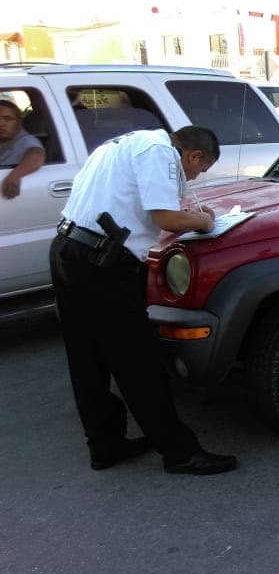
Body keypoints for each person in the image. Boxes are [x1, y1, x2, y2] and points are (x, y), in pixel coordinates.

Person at [50, 126, 237, 475]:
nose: (195, 177)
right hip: (103, 265)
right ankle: (179, 452)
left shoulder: (124, 142)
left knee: (87, 359)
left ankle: (105, 444)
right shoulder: (160, 151)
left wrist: (189, 214)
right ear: (194, 155)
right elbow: (166, 218)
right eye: (200, 169)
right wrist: (205, 221)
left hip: (68, 249)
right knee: (138, 360)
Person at [0, 99, 46, 199]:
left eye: (7, 119)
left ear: (19, 122)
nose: (1, 123)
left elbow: (37, 154)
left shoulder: (26, 140)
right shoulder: (4, 139)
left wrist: (15, 176)